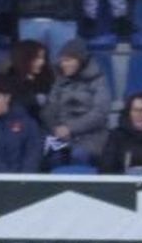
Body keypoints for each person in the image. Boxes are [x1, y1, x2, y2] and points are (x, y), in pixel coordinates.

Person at [41, 37, 110, 167]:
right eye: (62, 60)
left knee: (79, 155)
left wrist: (70, 128)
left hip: (91, 136)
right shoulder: (59, 82)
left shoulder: (98, 81)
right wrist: (56, 128)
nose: (63, 64)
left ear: (80, 60)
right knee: (51, 158)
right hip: (61, 136)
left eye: (68, 60)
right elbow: (49, 109)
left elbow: (100, 113)